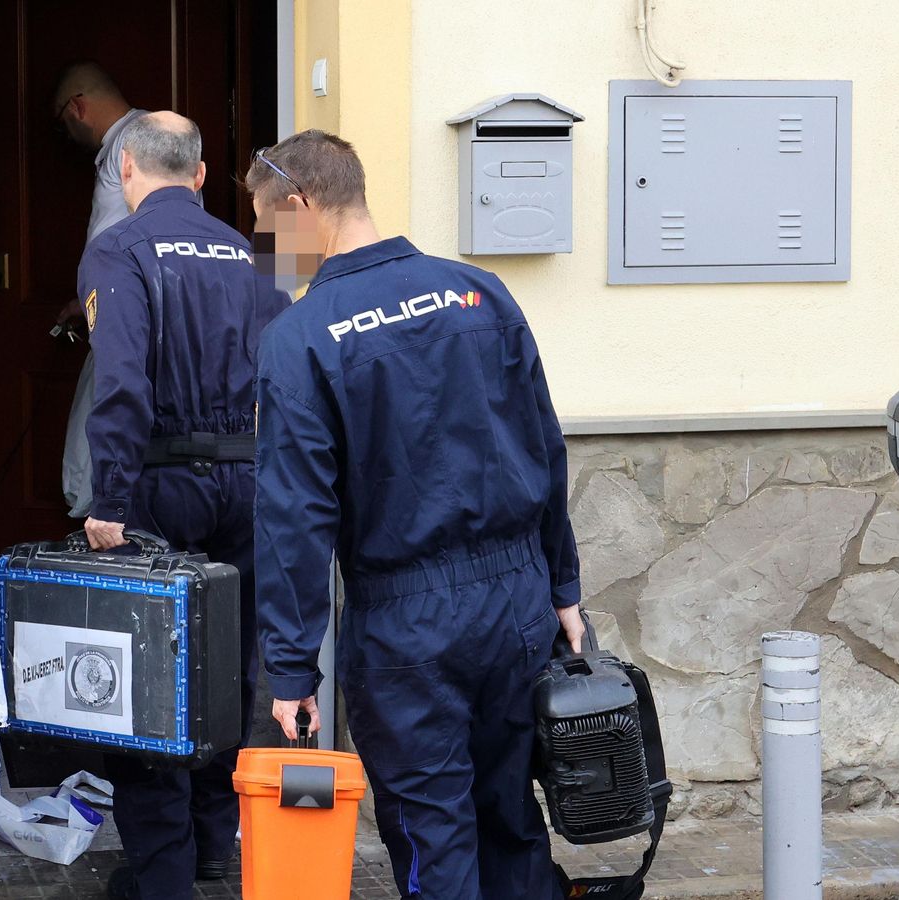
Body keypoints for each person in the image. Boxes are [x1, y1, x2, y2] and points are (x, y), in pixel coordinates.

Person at [244, 130, 585, 900]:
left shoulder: (301, 336)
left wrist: (292, 668)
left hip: (408, 624)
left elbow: (295, 514)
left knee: (436, 838)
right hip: (517, 605)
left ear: (300, 204)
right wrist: (562, 587)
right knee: (511, 821)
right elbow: (544, 442)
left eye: (268, 229)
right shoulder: (478, 291)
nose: (269, 252)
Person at [80, 111, 287, 900]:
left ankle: (161, 874)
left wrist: (111, 500)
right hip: (250, 482)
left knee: (147, 674)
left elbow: (123, 382)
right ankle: (211, 845)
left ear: (126, 168)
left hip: (162, 485)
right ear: (200, 175)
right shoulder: (256, 252)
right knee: (228, 668)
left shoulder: (118, 250)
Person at [52, 62, 148, 519]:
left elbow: (118, 246)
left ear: (78, 107)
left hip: (123, 320)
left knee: (96, 443)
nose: (66, 133)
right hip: (124, 312)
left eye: (62, 120)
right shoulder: (141, 140)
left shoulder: (131, 147)